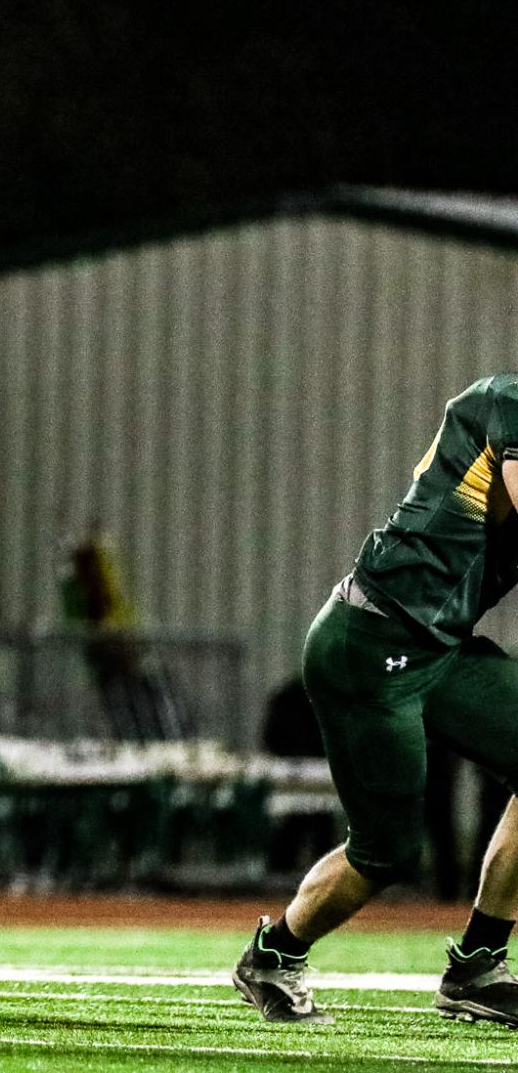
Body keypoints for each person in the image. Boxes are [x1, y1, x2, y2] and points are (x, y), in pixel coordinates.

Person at [233, 374, 518, 1027]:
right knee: (387, 851)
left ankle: (477, 962)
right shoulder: (508, 401)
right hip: (369, 641)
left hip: (437, 645)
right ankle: (272, 956)